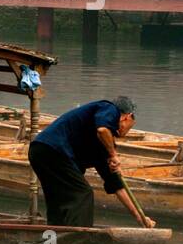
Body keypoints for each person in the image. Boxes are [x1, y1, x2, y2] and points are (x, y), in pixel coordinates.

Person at [28, 96, 155, 227]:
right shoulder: (109, 108)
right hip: (53, 149)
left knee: (58, 197)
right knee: (82, 193)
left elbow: (117, 185)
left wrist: (139, 217)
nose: (124, 133)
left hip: (39, 151)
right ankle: (78, 236)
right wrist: (114, 154)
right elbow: (102, 130)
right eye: (127, 128)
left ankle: (55, 235)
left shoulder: (103, 146)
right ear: (127, 117)